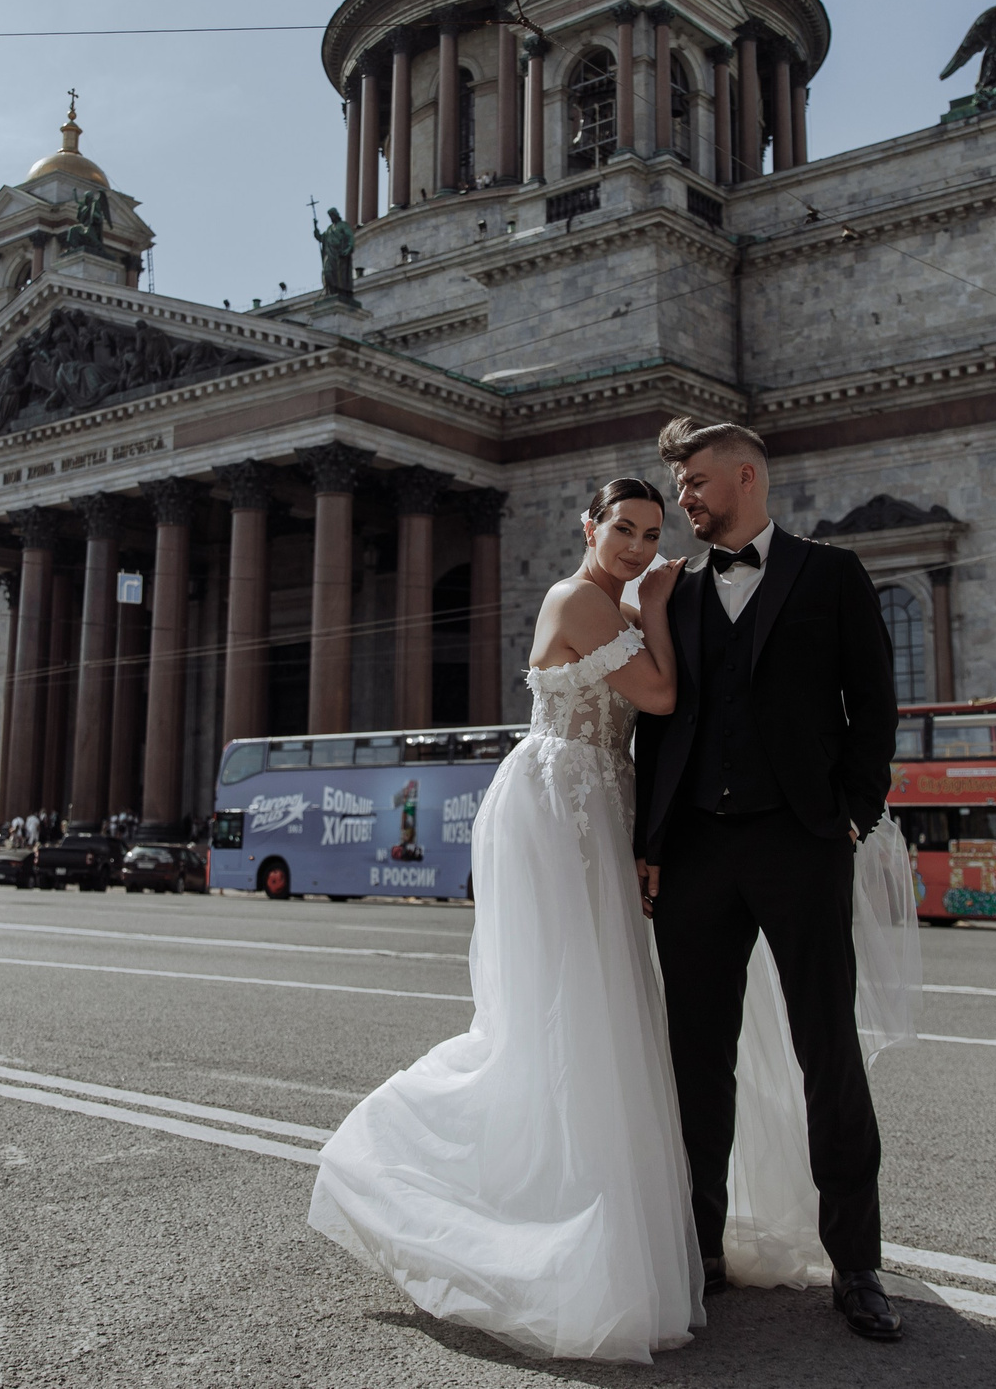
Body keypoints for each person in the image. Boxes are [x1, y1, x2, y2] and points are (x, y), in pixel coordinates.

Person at [310, 477, 701, 1362]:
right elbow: (660, 695)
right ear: (589, 526)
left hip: (595, 799)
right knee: (561, 1008)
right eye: (625, 528)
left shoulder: (610, 603)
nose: (639, 547)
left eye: (653, 534)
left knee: (595, 1008)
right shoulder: (580, 598)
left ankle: (589, 1219)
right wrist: (660, 606)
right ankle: (392, 1158)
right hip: (560, 801)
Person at [635, 417, 905, 1341]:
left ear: (746, 476)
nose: (684, 499)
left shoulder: (832, 574)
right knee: (694, 1058)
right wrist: (650, 839)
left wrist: (854, 808)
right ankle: (699, 1249)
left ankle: (858, 1263)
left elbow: (874, 703)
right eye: (679, 486)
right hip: (695, 850)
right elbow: (659, 727)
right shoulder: (672, 590)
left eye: (696, 482)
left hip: (802, 841)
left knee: (827, 1051)